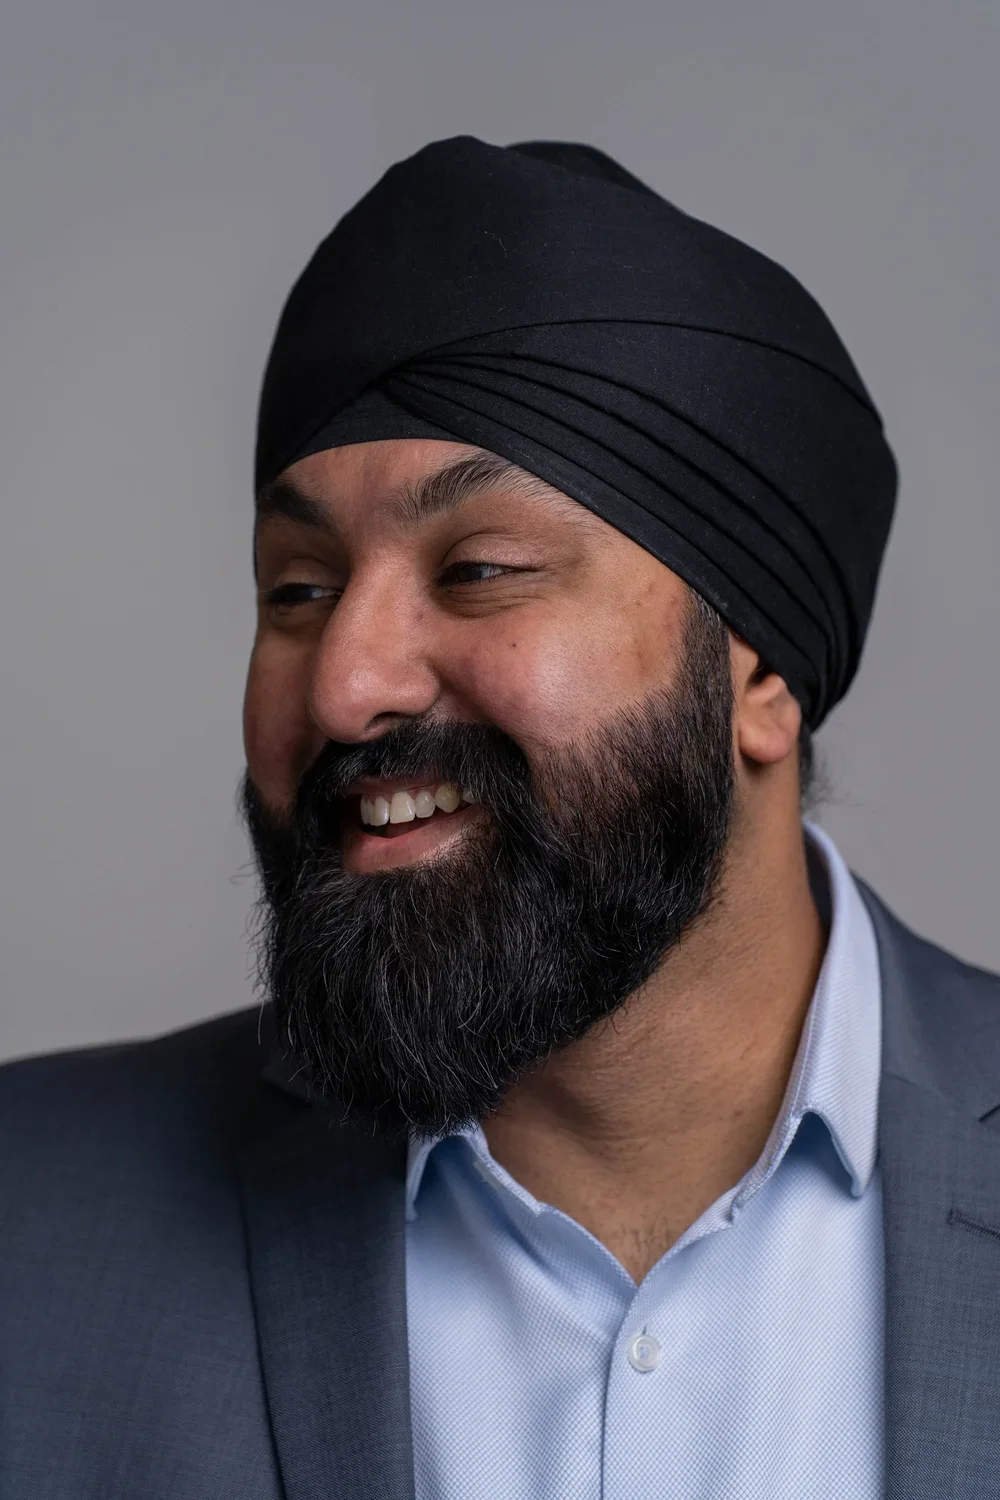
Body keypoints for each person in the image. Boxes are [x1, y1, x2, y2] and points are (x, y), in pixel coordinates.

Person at [1, 136, 997, 1500]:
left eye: (478, 570)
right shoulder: (27, 1221)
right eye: (295, 589)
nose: (346, 684)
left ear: (759, 670)